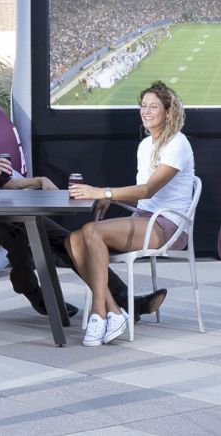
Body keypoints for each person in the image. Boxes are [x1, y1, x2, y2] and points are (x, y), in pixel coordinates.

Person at [0, 86, 156, 326]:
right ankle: (33, 290)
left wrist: (38, 180)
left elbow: (5, 183)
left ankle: (123, 297)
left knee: (67, 239)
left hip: (4, 212)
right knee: (20, 239)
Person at [65, 81, 191, 347]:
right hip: (144, 218)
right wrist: (109, 198)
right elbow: (140, 195)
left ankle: (100, 312)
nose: (146, 111)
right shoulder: (145, 145)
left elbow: (147, 190)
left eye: (153, 106)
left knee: (90, 232)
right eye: (143, 106)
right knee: (73, 240)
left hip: (169, 226)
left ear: (168, 112)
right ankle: (112, 310)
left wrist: (102, 193)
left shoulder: (178, 143)